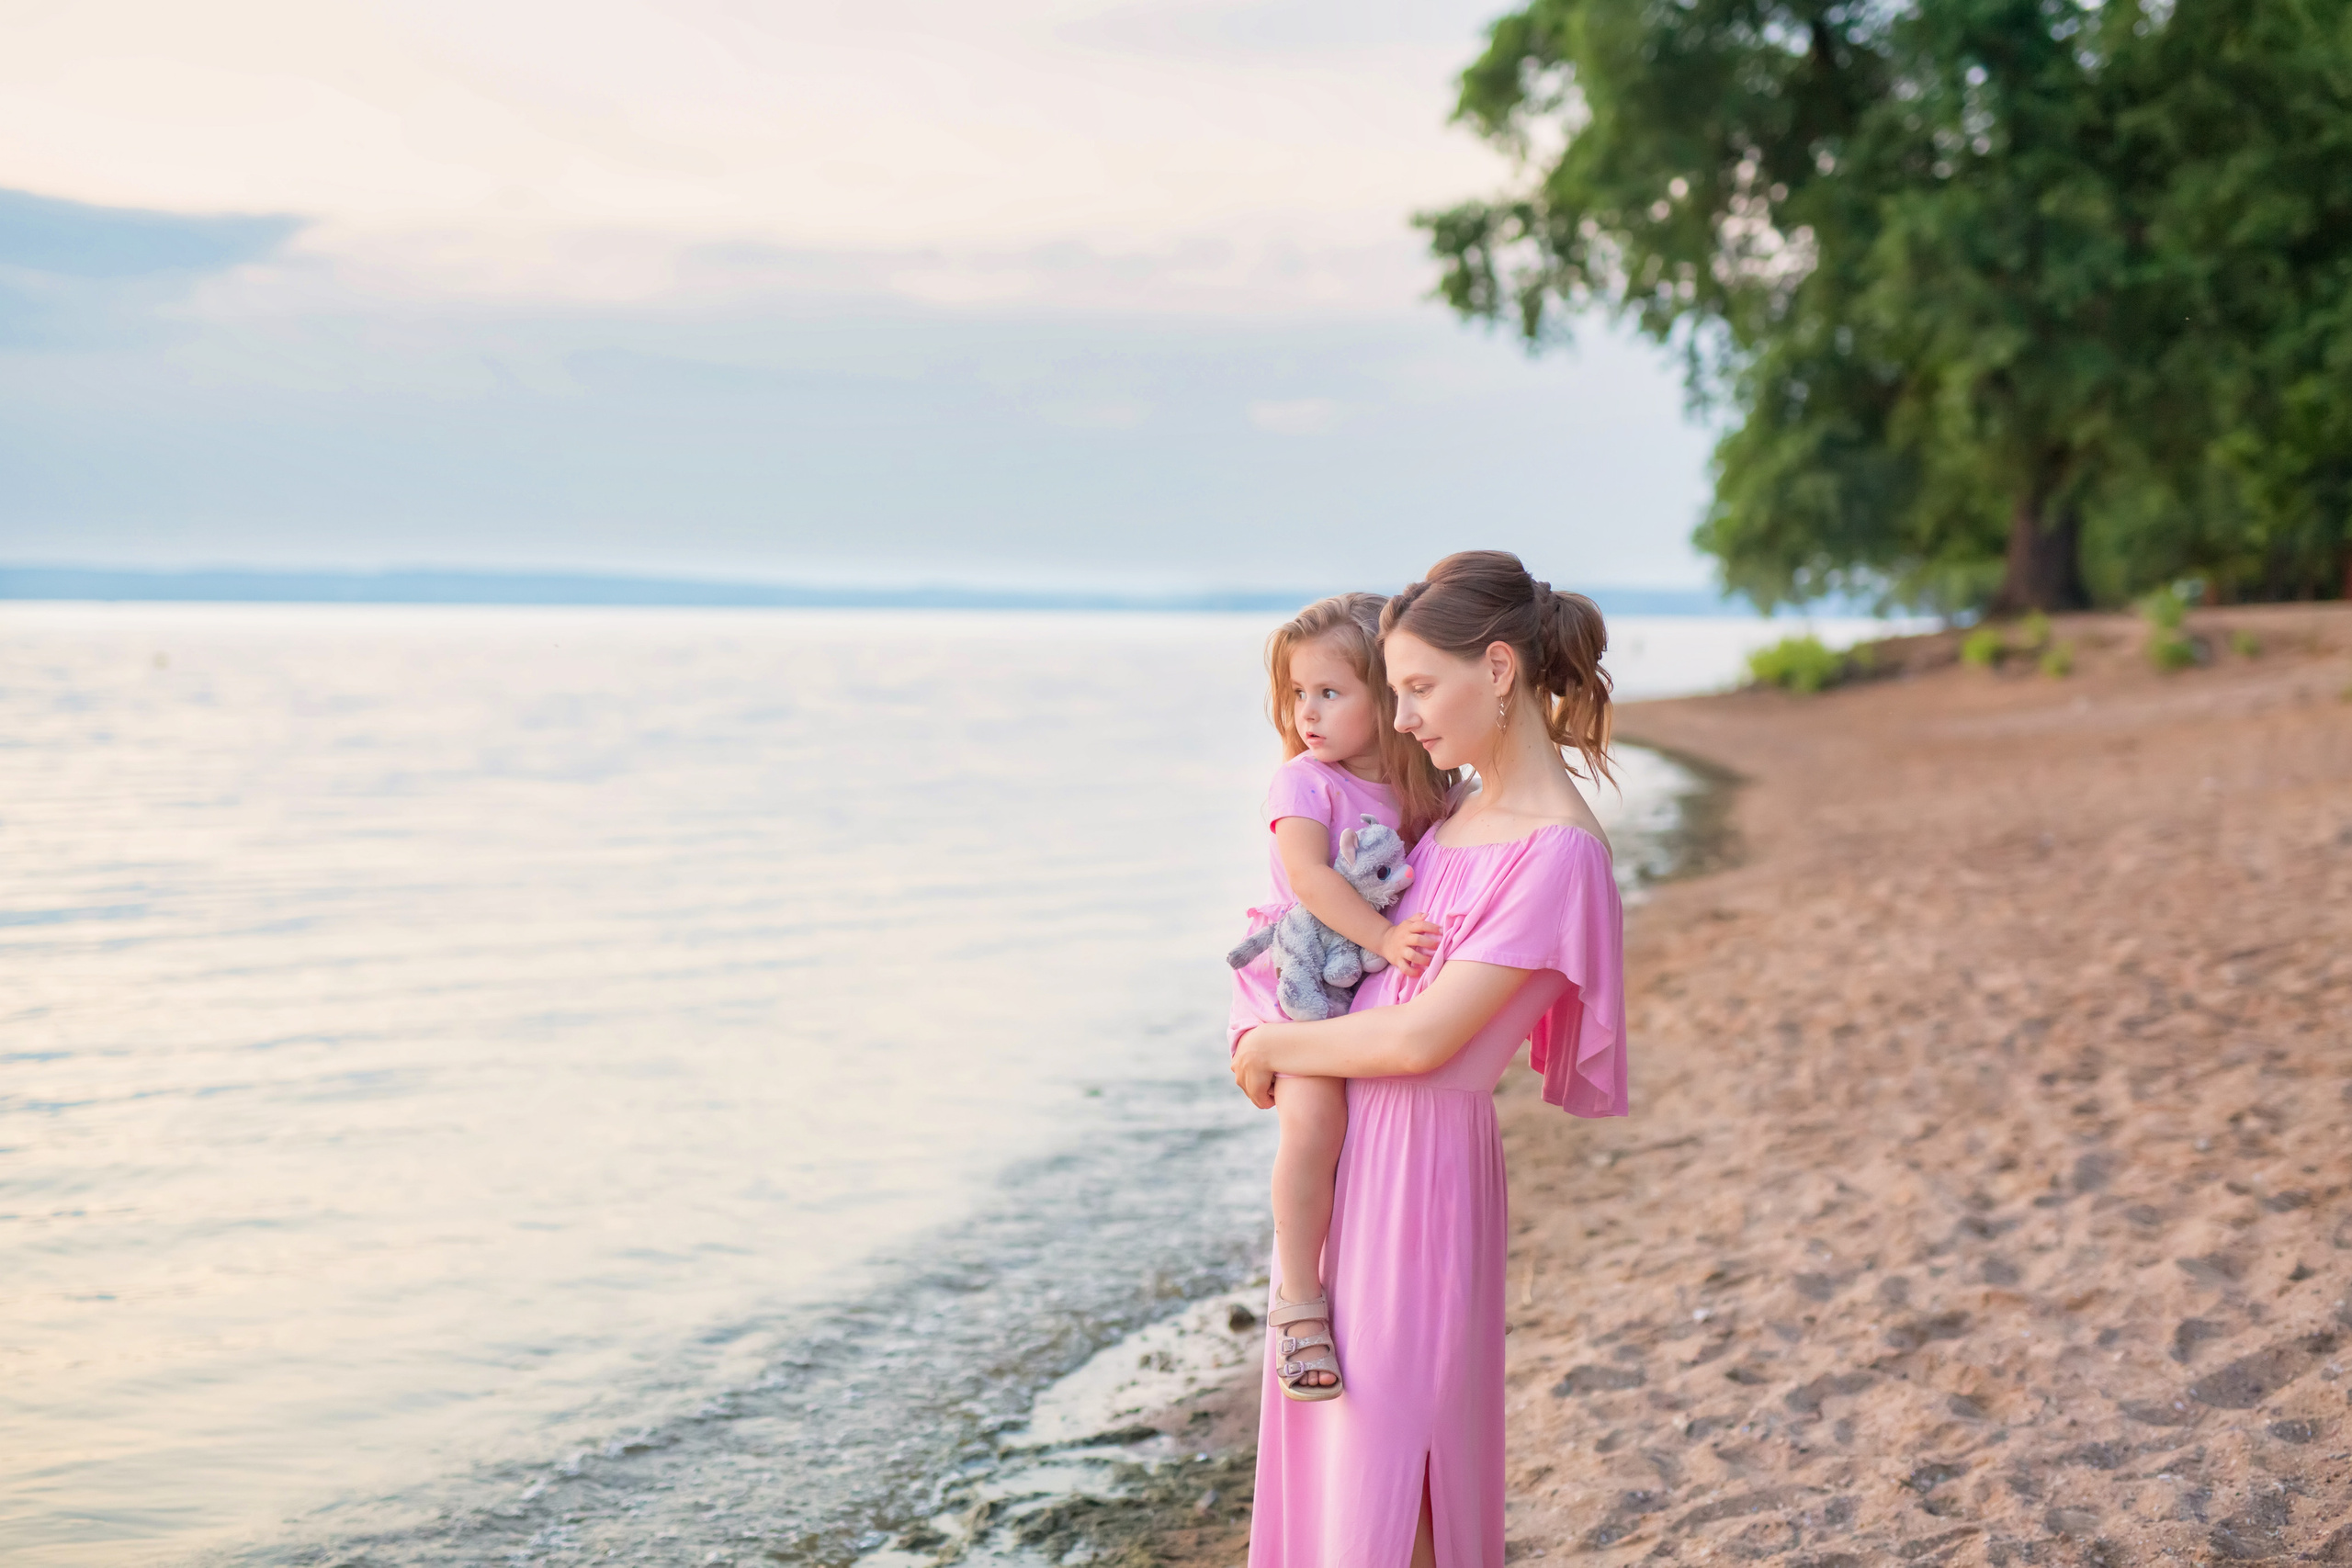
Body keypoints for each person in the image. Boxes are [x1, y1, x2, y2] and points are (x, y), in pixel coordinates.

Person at [1231, 551, 1630, 1568]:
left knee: (1399, 1475)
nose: (1402, 719)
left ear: (1496, 670)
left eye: (1417, 688)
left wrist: (1272, 1042)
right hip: (1350, 1156)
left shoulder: (1558, 854)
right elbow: (1341, 947)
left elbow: (1421, 1038)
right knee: (1338, 1471)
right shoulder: (1452, 814)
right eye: (1394, 690)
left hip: (1421, 1179)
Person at [1227, 593, 1452, 1399]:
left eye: (1330, 692)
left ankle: (1367, 1268)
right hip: (1296, 977)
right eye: (1297, 693)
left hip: (1360, 975)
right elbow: (1313, 880)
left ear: (1388, 696)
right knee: (1317, 1118)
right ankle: (1298, 1298)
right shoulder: (1304, 781)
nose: (1308, 712)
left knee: (1381, 1122)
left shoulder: (1418, 782)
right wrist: (1389, 940)